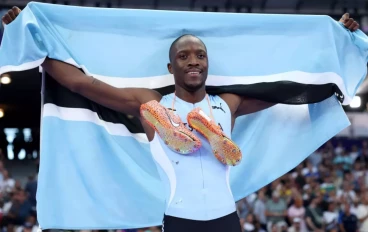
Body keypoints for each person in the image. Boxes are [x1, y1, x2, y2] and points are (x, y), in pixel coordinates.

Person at [2, 6, 360, 232]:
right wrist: (33, 43)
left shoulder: (229, 102)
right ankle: (174, 127)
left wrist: (337, 48)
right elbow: (83, 84)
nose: (194, 61)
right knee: (152, 110)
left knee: (249, 105)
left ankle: (216, 139)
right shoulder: (149, 100)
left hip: (225, 219)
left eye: (200, 55)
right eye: (184, 56)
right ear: (170, 67)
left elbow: (288, 88)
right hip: (178, 219)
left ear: (208, 65)